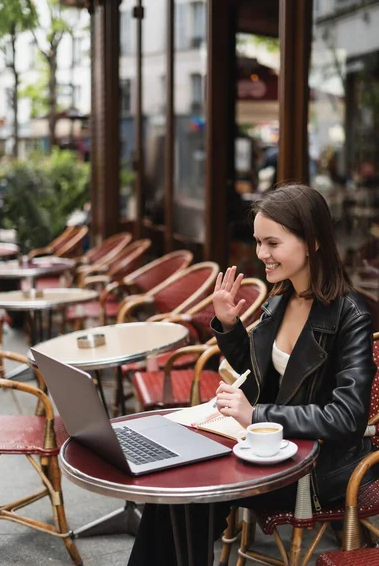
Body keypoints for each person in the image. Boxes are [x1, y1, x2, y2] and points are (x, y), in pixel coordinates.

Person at [128, 184, 377, 566]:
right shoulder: (280, 299)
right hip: (266, 448)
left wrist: (256, 415)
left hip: (316, 468)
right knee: (172, 492)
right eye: (259, 242)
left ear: (311, 242)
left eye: (272, 243)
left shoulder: (351, 315)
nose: (261, 253)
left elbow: (346, 420)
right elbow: (258, 372)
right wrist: (229, 326)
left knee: (192, 494)